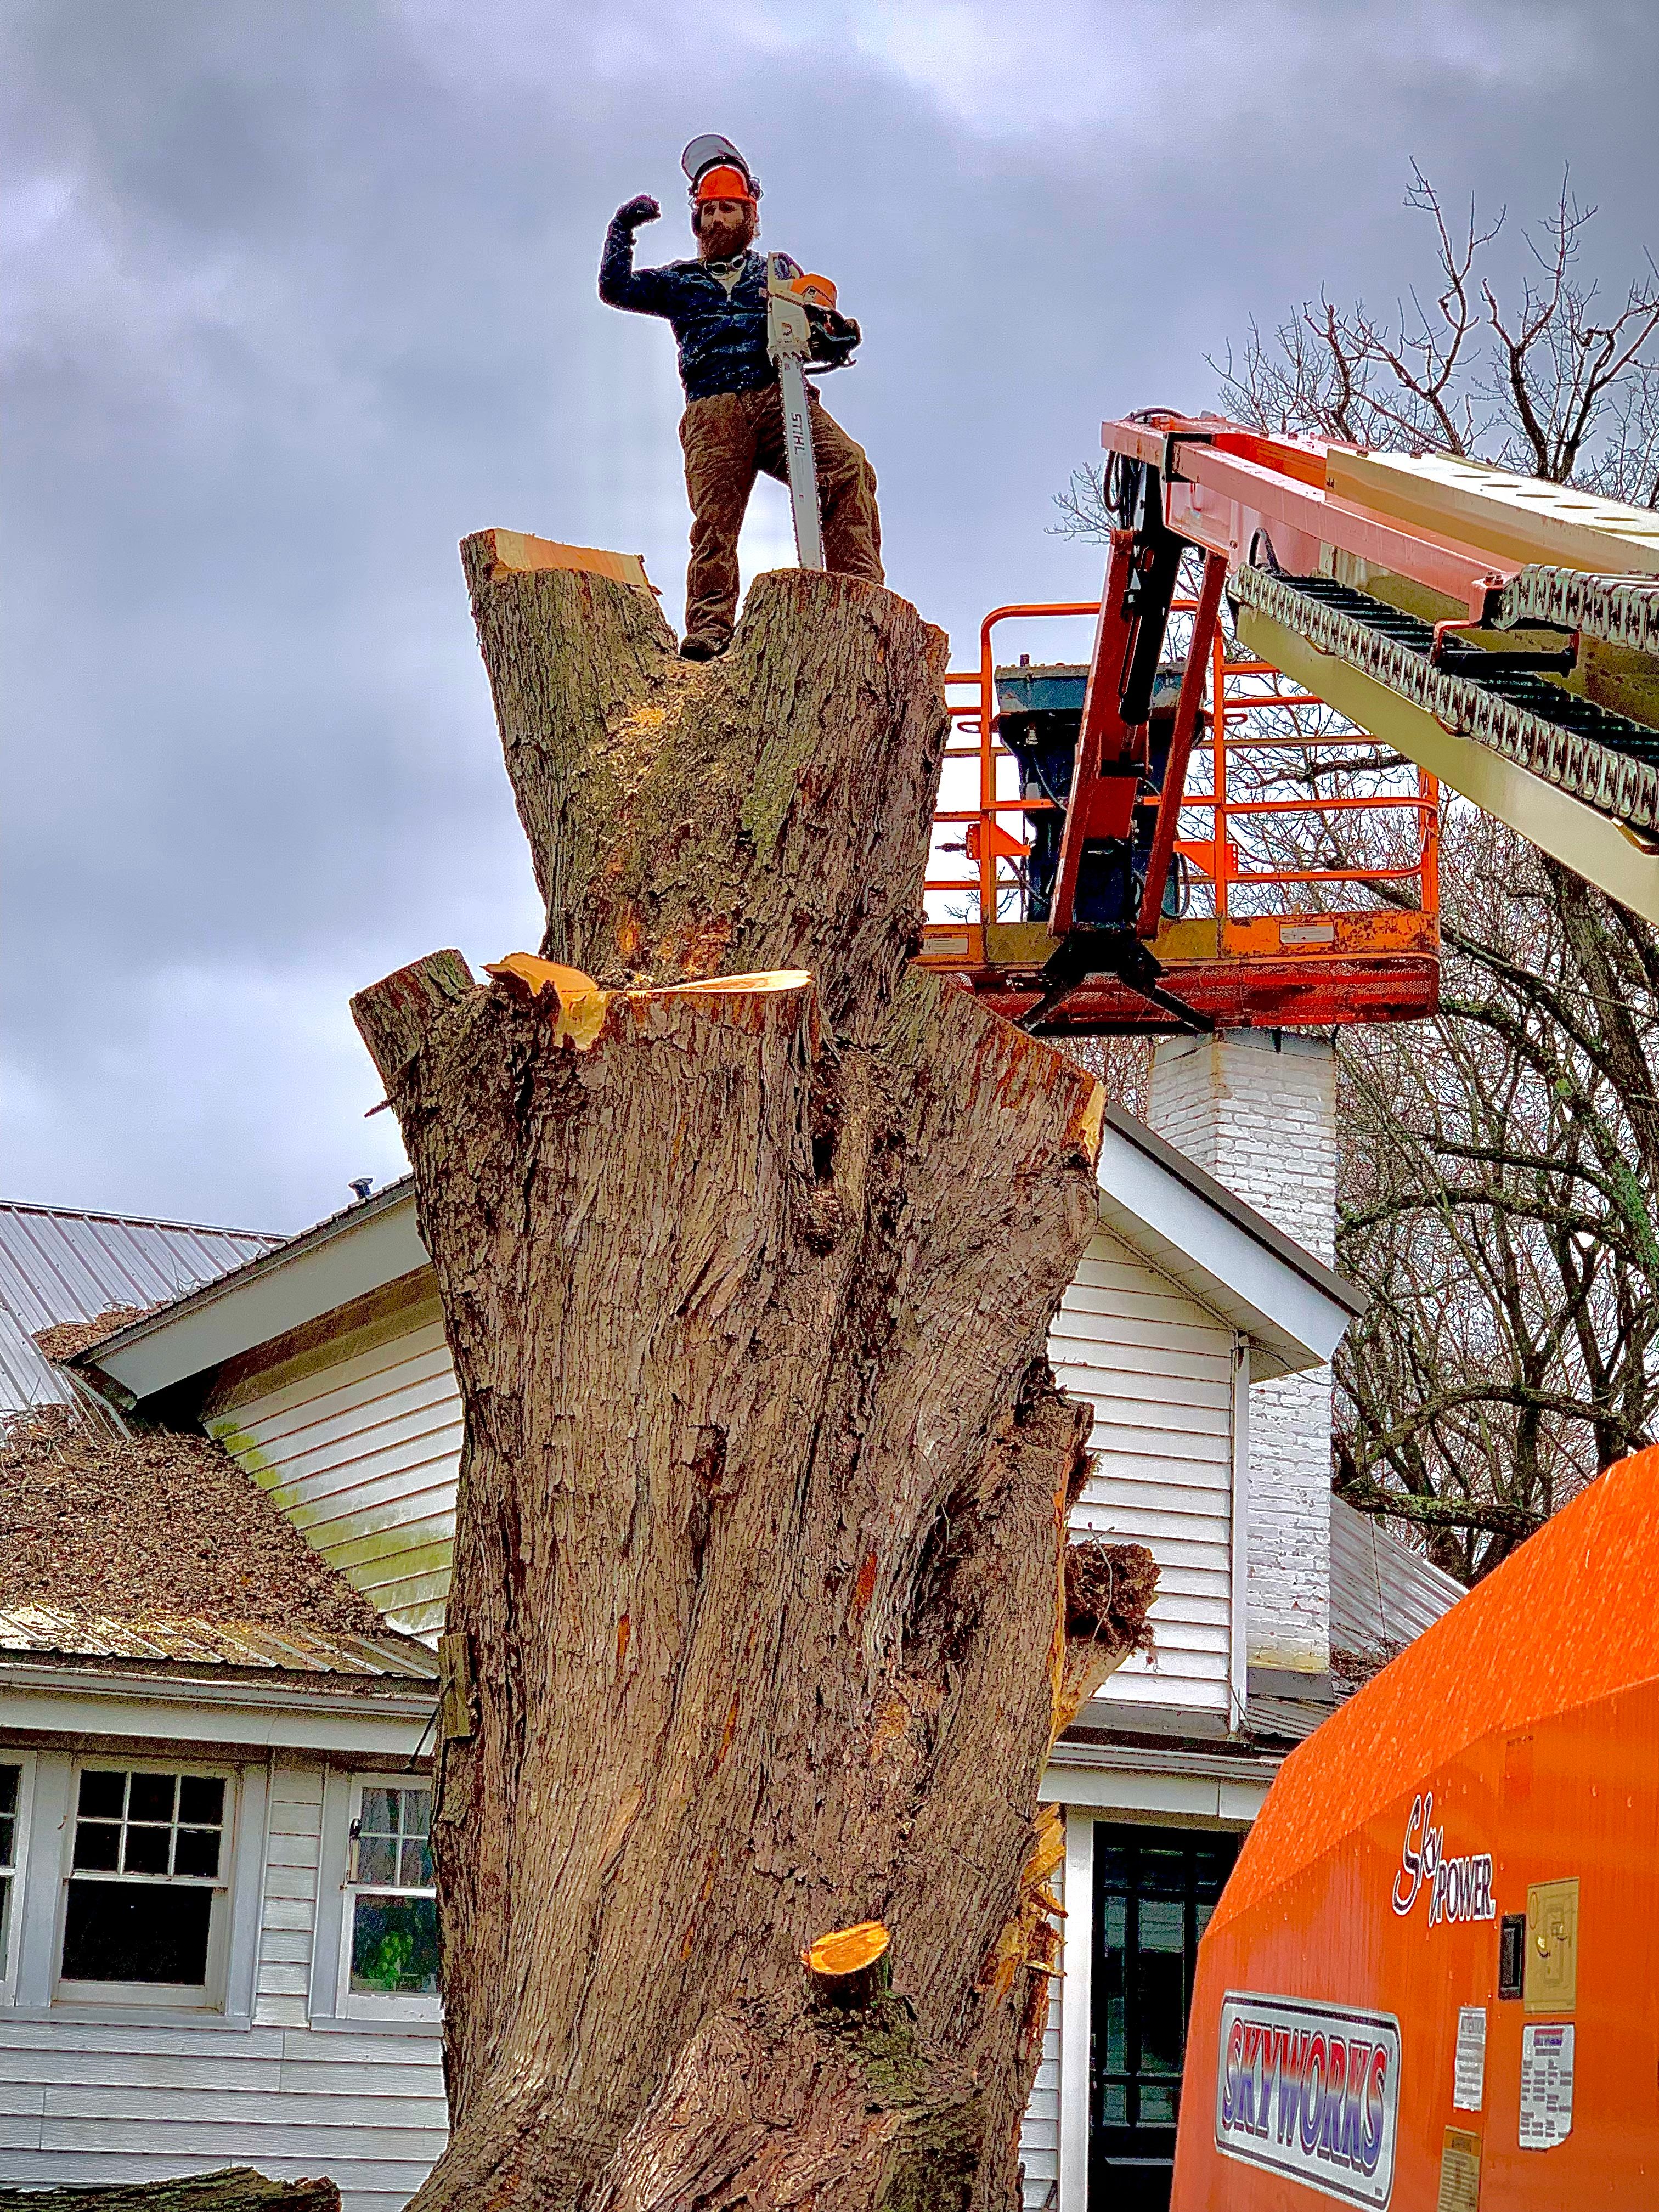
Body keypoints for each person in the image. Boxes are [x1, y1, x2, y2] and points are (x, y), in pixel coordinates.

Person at [599, 144, 884, 659]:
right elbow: (615, 288)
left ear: (749, 214)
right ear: (696, 219)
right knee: (715, 522)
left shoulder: (775, 270)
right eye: (708, 210)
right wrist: (623, 230)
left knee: (849, 469)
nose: (717, 218)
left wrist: (834, 333)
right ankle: (710, 627)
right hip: (713, 408)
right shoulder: (681, 281)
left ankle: (858, 593)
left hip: (778, 398)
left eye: (727, 208)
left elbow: (814, 319)